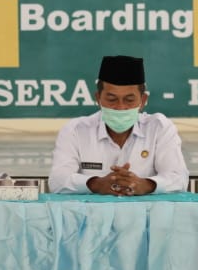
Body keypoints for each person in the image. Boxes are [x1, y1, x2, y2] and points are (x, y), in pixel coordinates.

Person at [48, 55, 189, 195]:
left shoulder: (159, 128)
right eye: (111, 99)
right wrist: (96, 184)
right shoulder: (75, 130)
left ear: (143, 100)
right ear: (98, 99)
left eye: (129, 100)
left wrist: (145, 185)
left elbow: (179, 179)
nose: (120, 107)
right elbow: (57, 181)